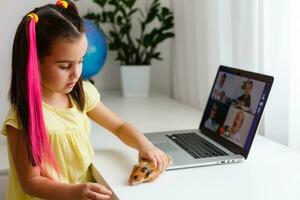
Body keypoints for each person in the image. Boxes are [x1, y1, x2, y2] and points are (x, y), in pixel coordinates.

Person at [0, 1, 169, 199]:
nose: (76, 74)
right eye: (64, 66)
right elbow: (31, 182)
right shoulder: (23, 118)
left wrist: (145, 145)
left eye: (80, 61)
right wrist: (74, 191)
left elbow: (119, 126)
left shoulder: (81, 93)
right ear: (34, 62)